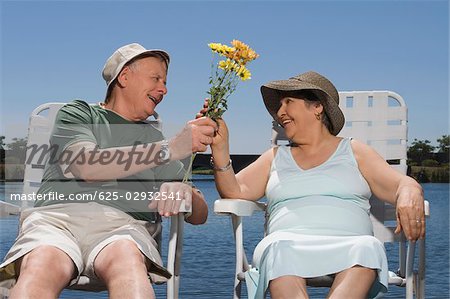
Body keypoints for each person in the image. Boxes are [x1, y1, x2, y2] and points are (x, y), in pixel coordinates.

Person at [0, 43, 217, 299]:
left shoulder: (153, 136)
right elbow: (87, 166)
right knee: (42, 263)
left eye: (166, 82)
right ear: (124, 77)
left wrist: (186, 193)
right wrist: (172, 147)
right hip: (57, 221)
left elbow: (198, 216)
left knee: (126, 260)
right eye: (156, 78)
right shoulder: (79, 114)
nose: (164, 89)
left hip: (121, 228)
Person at [208, 71, 425, 298]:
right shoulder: (275, 157)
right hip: (286, 245)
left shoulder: (353, 151)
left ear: (317, 107)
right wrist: (221, 150)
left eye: (288, 102)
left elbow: (399, 184)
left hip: (351, 245)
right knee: (279, 249)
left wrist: (410, 191)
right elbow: (234, 191)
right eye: (279, 105)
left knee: (368, 247)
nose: (280, 112)